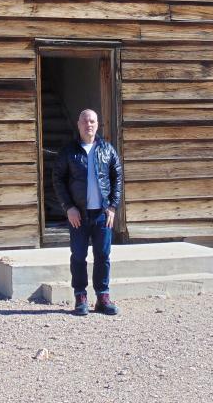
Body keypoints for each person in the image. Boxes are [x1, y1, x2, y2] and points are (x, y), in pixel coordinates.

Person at [52, 108, 123, 316]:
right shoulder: (69, 152)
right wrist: (68, 207)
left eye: (92, 121)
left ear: (97, 124)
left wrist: (112, 207)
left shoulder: (108, 150)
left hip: (102, 214)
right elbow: (58, 179)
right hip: (79, 215)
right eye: (84, 121)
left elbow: (117, 178)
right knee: (79, 256)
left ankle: (103, 296)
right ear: (78, 124)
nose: (88, 125)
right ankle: (80, 297)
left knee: (103, 255)